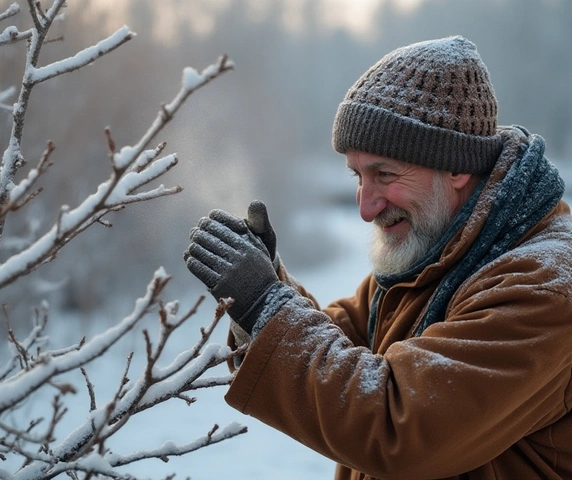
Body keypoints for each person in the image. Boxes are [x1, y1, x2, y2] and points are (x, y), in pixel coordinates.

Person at [183, 36, 572, 480]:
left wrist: (265, 305)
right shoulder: (442, 250)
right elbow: (344, 348)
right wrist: (267, 290)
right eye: (358, 176)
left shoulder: (545, 287)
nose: (366, 207)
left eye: (384, 174)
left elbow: (399, 426)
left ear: (458, 167)